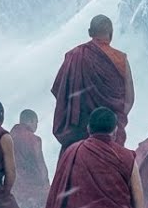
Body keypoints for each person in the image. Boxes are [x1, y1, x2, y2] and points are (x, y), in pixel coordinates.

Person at [51, 14, 135, 151]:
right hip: (110, 135)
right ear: (111, 33)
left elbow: (60, 93)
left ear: (90, 32)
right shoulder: (120, 60)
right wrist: (114, 121)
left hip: (79, 134)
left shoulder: (75, 55)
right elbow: (129, 99)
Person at [9, 109, 51, 208]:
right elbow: (40, 166)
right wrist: (46, 185)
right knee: (54, 202)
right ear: (30, 121)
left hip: (13, 188)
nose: (36, 126)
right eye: (36, 122)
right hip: (31, 189)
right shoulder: (33, 139)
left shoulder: (9, 136)